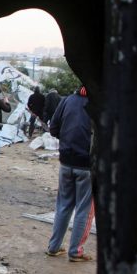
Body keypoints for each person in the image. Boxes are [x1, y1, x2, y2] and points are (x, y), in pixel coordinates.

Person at [45, 86, 95, 262]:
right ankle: (76, 251)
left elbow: (53, 128)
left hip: (66, 161)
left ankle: (54, 247)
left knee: (63, 205)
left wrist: (67, 141)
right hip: (88, 165)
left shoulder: (67, 100)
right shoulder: (101, 103)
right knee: (84, 210)